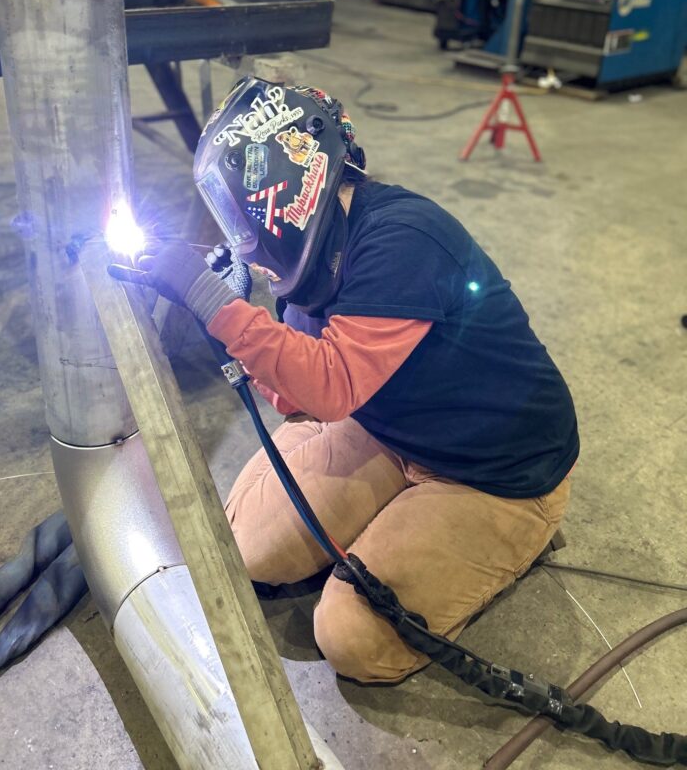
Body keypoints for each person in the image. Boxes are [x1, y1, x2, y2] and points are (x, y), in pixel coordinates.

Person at [109, 76, 579, 684]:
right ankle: (390, 509)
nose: (241, 233)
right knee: (248, 548)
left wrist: (212, 304)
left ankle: (525, 535)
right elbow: (301, 401)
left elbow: (329, 386)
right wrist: (240, 314)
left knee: (354, 639)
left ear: (289, 177)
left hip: (497, 473)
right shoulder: (309, 261)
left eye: (240, 210)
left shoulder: (402, 241)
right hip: (391, 428)